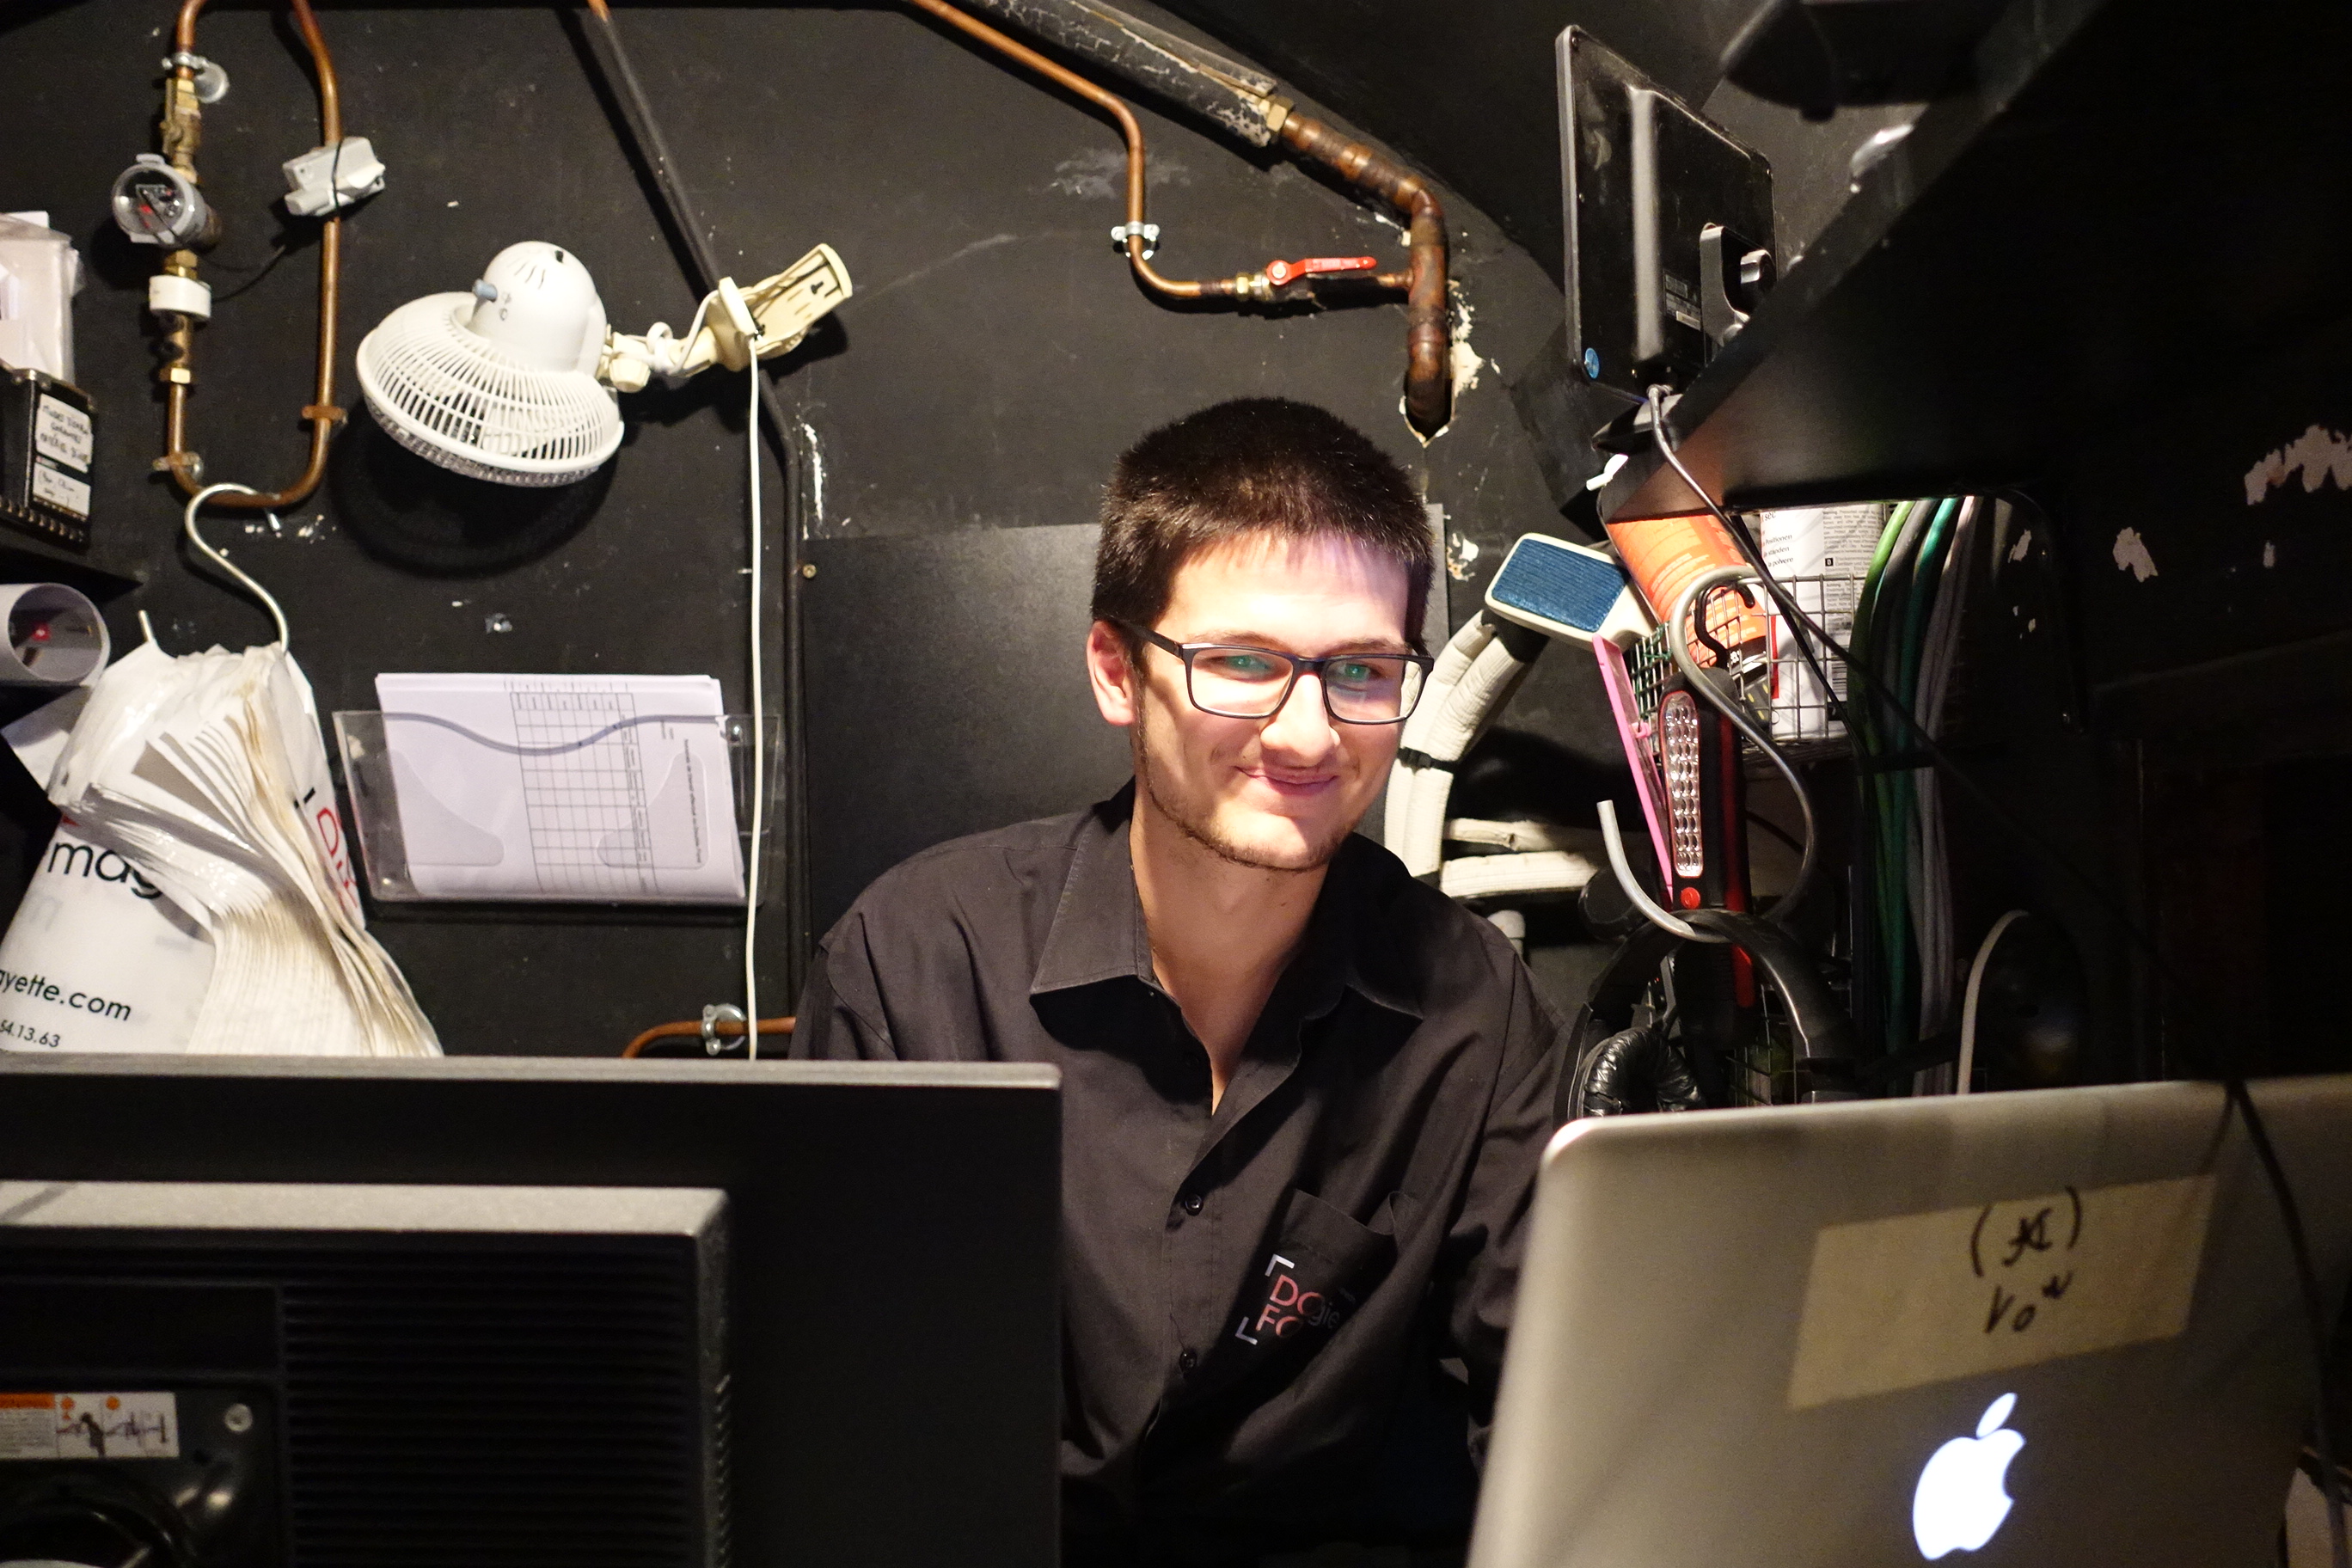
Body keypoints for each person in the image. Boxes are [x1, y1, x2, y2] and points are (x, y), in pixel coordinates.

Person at [792, 397, 1563, 1565]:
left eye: (1362, 670)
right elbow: (833, 1412)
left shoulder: (1472, 1002)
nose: (1307, 735)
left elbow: (1549, 1402)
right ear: (1118, 671)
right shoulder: (915, 961)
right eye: (1241, 664)